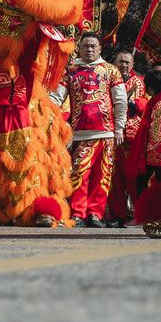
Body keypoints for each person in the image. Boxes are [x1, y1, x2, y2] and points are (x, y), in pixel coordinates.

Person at [64, 33, 127, 227]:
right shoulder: (71, 71)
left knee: (103, 176)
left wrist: (119, 128)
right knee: (79, 174)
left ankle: (95, 213)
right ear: (79, 48)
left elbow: (121, 101)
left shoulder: (111, 71)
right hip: (80, 133)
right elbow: (57, 98)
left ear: (100, 49)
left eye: (93, 46)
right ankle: (78, 213)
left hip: (106, 133)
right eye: (85, 46)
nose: (89, 50)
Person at [108, 48, 148, 225]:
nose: (123, 65)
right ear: (114, 63)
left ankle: (141, 213)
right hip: (110, 132)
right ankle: (118, 215)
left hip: (131, 136)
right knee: (114, 177)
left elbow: (146, 102)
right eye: (120, 61)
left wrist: (135, 103)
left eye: (127, 62)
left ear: (132, 64)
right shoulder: (108, 78)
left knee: (133, 177)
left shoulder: (139, 81)